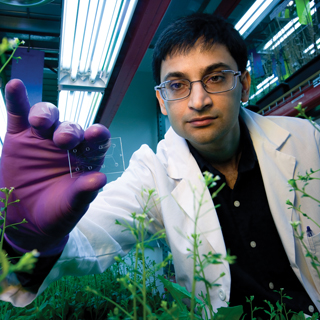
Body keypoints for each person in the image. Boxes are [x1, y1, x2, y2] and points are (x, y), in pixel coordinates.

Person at [0, 13, 319, 318]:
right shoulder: (152, 172)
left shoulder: (306, 140)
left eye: (216, 77)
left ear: (244, 84)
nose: (198, 101)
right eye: (178, 85)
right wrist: (24, 240)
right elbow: (92, 237)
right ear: (162, 101)